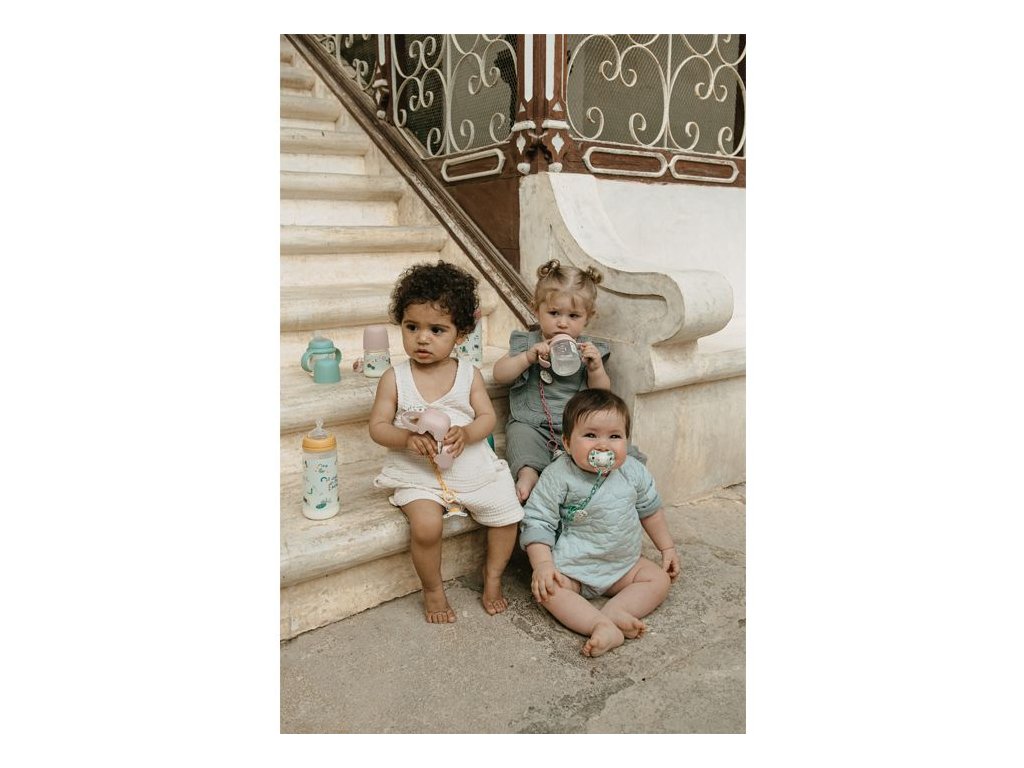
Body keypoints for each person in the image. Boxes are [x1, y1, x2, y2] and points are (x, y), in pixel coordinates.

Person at [369, 261, 523, 623]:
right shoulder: (395, 378)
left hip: (468, 465)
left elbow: (486, 418)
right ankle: (433, 589)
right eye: (412, 327)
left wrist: (467, 433)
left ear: (461, 333)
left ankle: (493, 576)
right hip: (418, 472)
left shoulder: (468, 375)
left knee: (507, 513)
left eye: (436, 329)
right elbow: (377, 427)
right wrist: (406, 438)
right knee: (426, 527)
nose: (422, 338)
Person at [520, 389, 680, 657]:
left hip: (623, 565)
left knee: (659, 580)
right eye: (591, 435)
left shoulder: (633, 471)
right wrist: (543, 566)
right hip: (574, 568)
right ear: (567, 443)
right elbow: (538, 522)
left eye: (614, 436)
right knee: (548, 591)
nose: (603, 446)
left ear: (626, 441)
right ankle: (600, 625)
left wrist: (667, 548)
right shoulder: (558, 476)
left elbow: (650, 511)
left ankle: (618, 610)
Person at [493, 259, 643, 504]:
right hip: (532, 423)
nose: (562, 323)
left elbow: (602, 395)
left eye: (573, 316)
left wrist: (595, 369)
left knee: (594, 441)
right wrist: (527, 358)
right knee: (520, 437)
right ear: (536, 309)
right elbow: (499, 374)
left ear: (587, 318)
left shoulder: (588, 351)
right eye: (554, 313)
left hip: (576, 426)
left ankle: (594, 479)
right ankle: (528, 474)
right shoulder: (527, 343)